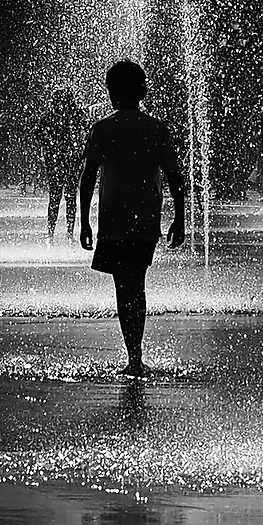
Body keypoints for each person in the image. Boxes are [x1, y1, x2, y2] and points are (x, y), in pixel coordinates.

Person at [76, 59, 187, 377]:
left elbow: (87, 177)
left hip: (113, 219)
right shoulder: (156, 129)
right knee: (135, 284)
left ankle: (134, 357)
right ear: (143, 91)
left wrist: (85, 221)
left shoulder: (103, 128)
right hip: (145, 220)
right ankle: (135, 356)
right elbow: (175, 176)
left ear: (110, 92)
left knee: (124, 288)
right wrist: (179, 218)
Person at [35, 84, 87, 242]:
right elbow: (87, 133)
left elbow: (37, 134)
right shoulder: (75, 115)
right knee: (67, 197)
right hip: (69, 161)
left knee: (58, 197)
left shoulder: (51, 117)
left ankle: (54, 233)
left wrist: (49, 145)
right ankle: (64, 233)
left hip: (58, 161)